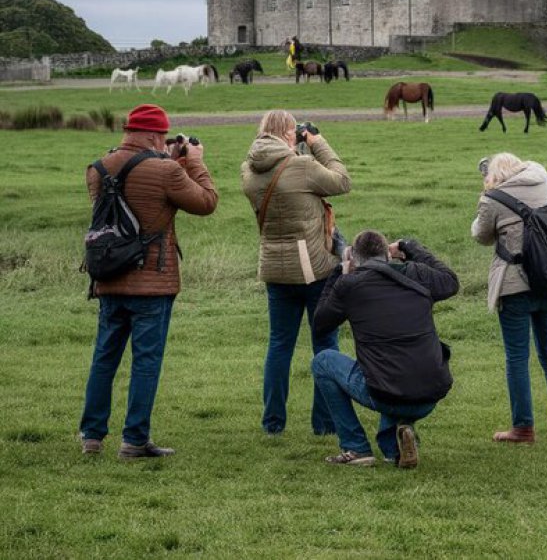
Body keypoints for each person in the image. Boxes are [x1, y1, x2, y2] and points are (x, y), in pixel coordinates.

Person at [79, 104, 218, 458]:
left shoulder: (98, 168)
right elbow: (205, 202)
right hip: (152, 281)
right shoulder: (167, 170)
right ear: (156, 135)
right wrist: (195, 161)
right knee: (146, 361)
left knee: (104, 357)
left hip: (109, 276)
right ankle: (134, 439)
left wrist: (170, 160)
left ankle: (92, 436)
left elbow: (135, 187)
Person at [241, 110, 351, 437]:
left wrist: (295, 148)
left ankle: (273, 423)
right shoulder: (301, 167)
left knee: (279, 345)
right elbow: (341, 180)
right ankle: (325, 422)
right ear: (289, 133)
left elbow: (285, 183)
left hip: (274, 267)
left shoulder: (248, 170)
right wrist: (316, 142)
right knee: (325, 344)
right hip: (313, 267)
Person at [312, 231, 459, 467]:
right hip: (431, 391)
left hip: (385, 392)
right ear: (387, 256)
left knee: (323, 362)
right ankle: (394, 447)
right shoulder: (416, 273)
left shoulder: (350, 285)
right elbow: (450, 281)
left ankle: (356, 447)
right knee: (393, 369)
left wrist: (339, 272)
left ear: (355, 259)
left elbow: (319, 324)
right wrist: (410, 247)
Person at [471, 152, 547, 443]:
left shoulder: (493, 197)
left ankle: (523, 427)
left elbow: (481, 236)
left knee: (517, 356)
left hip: (514, 283)